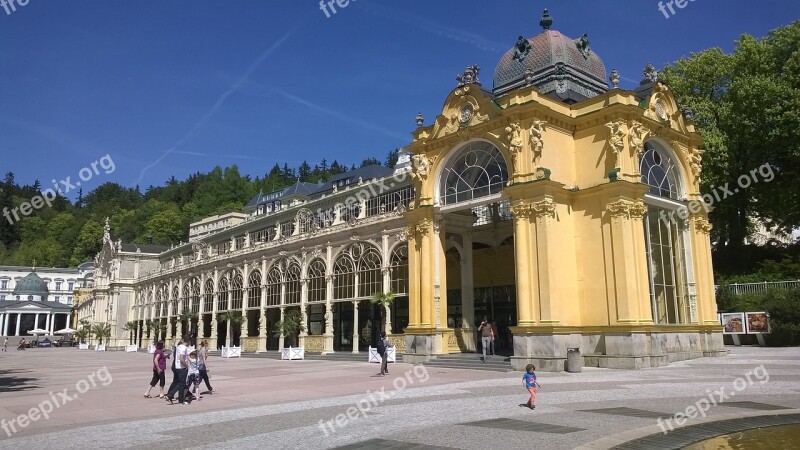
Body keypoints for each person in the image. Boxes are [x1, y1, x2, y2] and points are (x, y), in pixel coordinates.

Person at [165, 336, 189, 405]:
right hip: (182, 368)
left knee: (179, 383)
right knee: (182, 384)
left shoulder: (178, 347)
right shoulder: (183, 348)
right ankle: (181, 399)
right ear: (188, 341)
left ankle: (170, 394)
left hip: (177, 367)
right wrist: (186, 366)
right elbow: (181, 358)